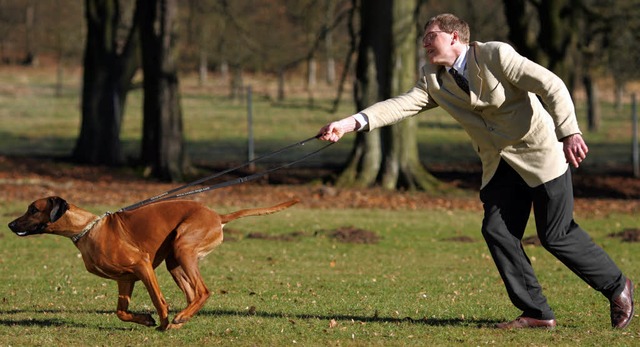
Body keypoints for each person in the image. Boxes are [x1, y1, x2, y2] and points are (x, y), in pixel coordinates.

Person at [317, 13, 634, 329]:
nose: (425, 42)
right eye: (423, 38)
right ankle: (536, 312)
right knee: (497, 231)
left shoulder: (496, 55)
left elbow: (552, 84)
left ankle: (617, 286)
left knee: (556, 234)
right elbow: (397, 106)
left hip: (541, 155)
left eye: (432, 35)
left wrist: (570, 132)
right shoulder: (433, 78)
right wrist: (345, 125)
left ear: (455, 37)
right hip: (499, 164)